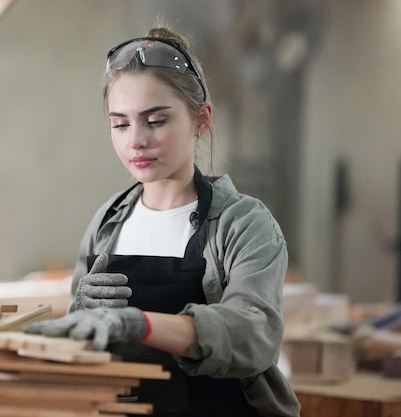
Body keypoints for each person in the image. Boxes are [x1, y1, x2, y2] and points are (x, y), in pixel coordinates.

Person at [24, 26, 301, 417]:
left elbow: (253, 336)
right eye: (120, 124)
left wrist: (138, 324)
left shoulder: (243, 224)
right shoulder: (107, 224)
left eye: (155, 121)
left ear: (201, 120)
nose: (135, 140)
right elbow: (81, 340)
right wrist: (80, 318)